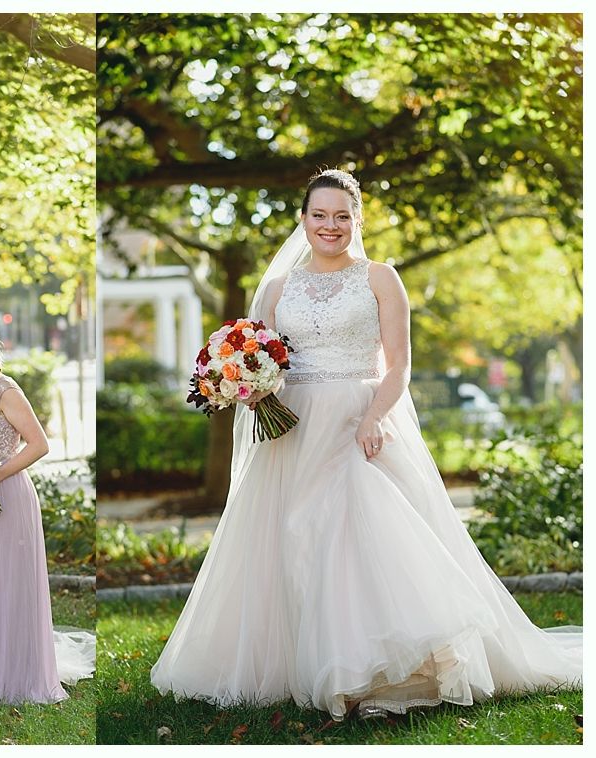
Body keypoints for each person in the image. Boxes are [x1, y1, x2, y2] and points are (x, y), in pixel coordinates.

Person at [150, 169, 582, 720]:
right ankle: (294, 662)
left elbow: (399, 367)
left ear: (357, 221)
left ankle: (375, 666)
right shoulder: (279, 288)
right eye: (319, 215)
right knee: (289, 538)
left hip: (360, 419)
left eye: (341, 216)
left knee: (357, 533)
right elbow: (257, 354)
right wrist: (247, 386)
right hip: (293, 427)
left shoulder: (380, 278)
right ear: (303, 220)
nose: (330, 225)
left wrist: (375, 417)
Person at [0, 311, 95, 703]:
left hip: (7, 497)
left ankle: (19, 672)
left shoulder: (3, 388)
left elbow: (39, 444)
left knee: (9, 584)